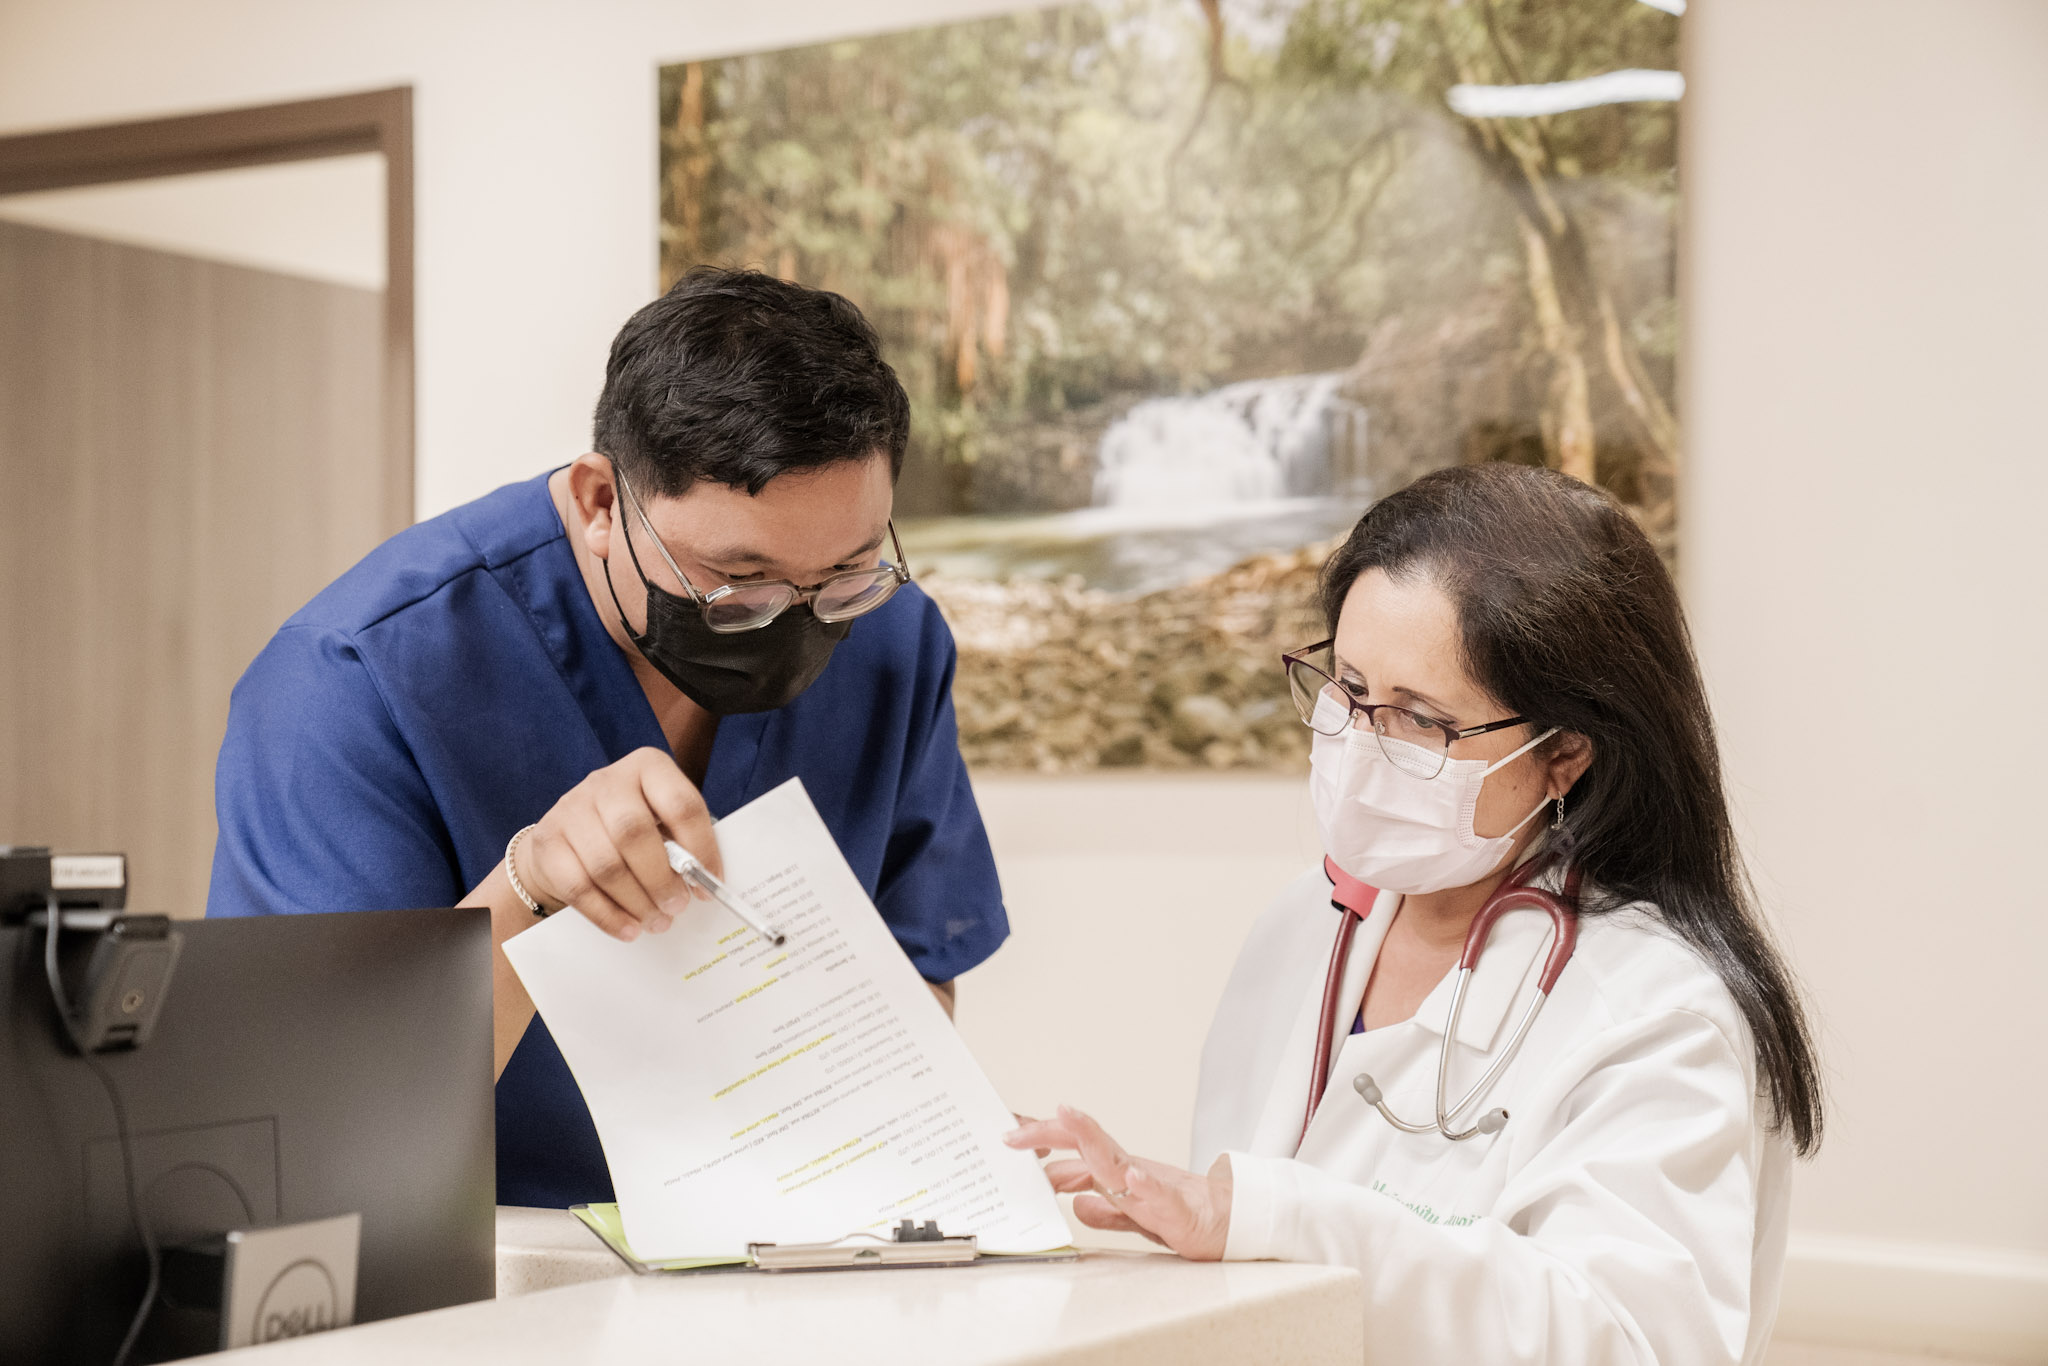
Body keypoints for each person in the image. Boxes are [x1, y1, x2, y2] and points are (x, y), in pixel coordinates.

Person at [209, 267, 1008, 1209]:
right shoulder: (352, 680)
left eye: (845, 572)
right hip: (470, 1264)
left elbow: (915, 975)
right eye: (737, 583)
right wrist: (531, 887)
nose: (798, 620)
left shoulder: (888, 638)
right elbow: (321, 1115)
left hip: (788, 1254)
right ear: (599, 502)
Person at [1006, 464, 1823, 1366]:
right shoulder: (1308, 927)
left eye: (1420, 718)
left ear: (1565, 756)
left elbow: (1628, 1342)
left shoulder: (1655, 1011)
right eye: (1349, 686)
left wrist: (1272, 1217)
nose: (1358, 744)